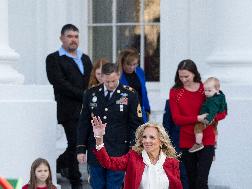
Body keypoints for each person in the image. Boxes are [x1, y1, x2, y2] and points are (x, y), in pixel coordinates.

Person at [76, 63, 143, 189]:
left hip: (118, 151)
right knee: (97, 185)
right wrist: (80, 149)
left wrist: (133, 147)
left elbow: (136, 124)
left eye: (113, 81)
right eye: (107, 82)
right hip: (95, 151)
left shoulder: (130, 94)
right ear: (101, 77)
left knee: (114, 186)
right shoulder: (91, 94)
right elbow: (84, 123)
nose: (111, 85)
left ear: (118, 75)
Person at [46, 24, 92, 189]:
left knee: (82, 142)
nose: (73, 39)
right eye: (69, 36)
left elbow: (91, 81)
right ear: (62, 38)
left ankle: (60, 164)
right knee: (75, 142)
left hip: (86, 108)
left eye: (76, 36)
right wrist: (84, 95)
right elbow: (59, 83)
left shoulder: (85, 58)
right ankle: (75, 181)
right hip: (68, 110)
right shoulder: (54, 58)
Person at [169, 59, 227, 189]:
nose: (183, 79)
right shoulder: (175, 92)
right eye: (181, 76)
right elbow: (177, 119)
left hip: (207, 139)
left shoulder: (206, 88)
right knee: (191, 179)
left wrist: (210, 119)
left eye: (187, 76)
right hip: (187, 141)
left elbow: (222, 112)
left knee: (202, 180)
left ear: (194, 73)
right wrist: (198, 118)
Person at [91, 116, 183, 189]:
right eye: (144, 137)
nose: (147, 141)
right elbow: (108, 163)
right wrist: (99, 138)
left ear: (161, 141)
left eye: (152, 137)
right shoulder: (133, 158)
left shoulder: (172, 163)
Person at [189, 77, 228, 153]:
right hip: (213, 119)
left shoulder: (212, 101)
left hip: (208, 118)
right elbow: (223, 107)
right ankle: (215, 142)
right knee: (214, 129)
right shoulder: (220, 96)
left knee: (197, 128)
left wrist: (208, 119)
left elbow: (213, 111)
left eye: (209, 90)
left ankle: (198, 143)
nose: (206, 92)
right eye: (205, 90)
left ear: (217, 89)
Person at [117, 48, 151, 122]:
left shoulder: (139, 71)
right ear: (122, 62)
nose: (132, 67)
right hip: (124, 113)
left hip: (141, 111)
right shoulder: (117, 75)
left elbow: (144, 91)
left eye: (135, 64)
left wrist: (147, 109)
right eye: (129, 64)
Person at [163, 99, 189, 189]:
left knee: (192, 175)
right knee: (179, 174)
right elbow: (166, 127)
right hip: (176, 144)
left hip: (194, 145)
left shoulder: (199, 100)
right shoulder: (171, 102)